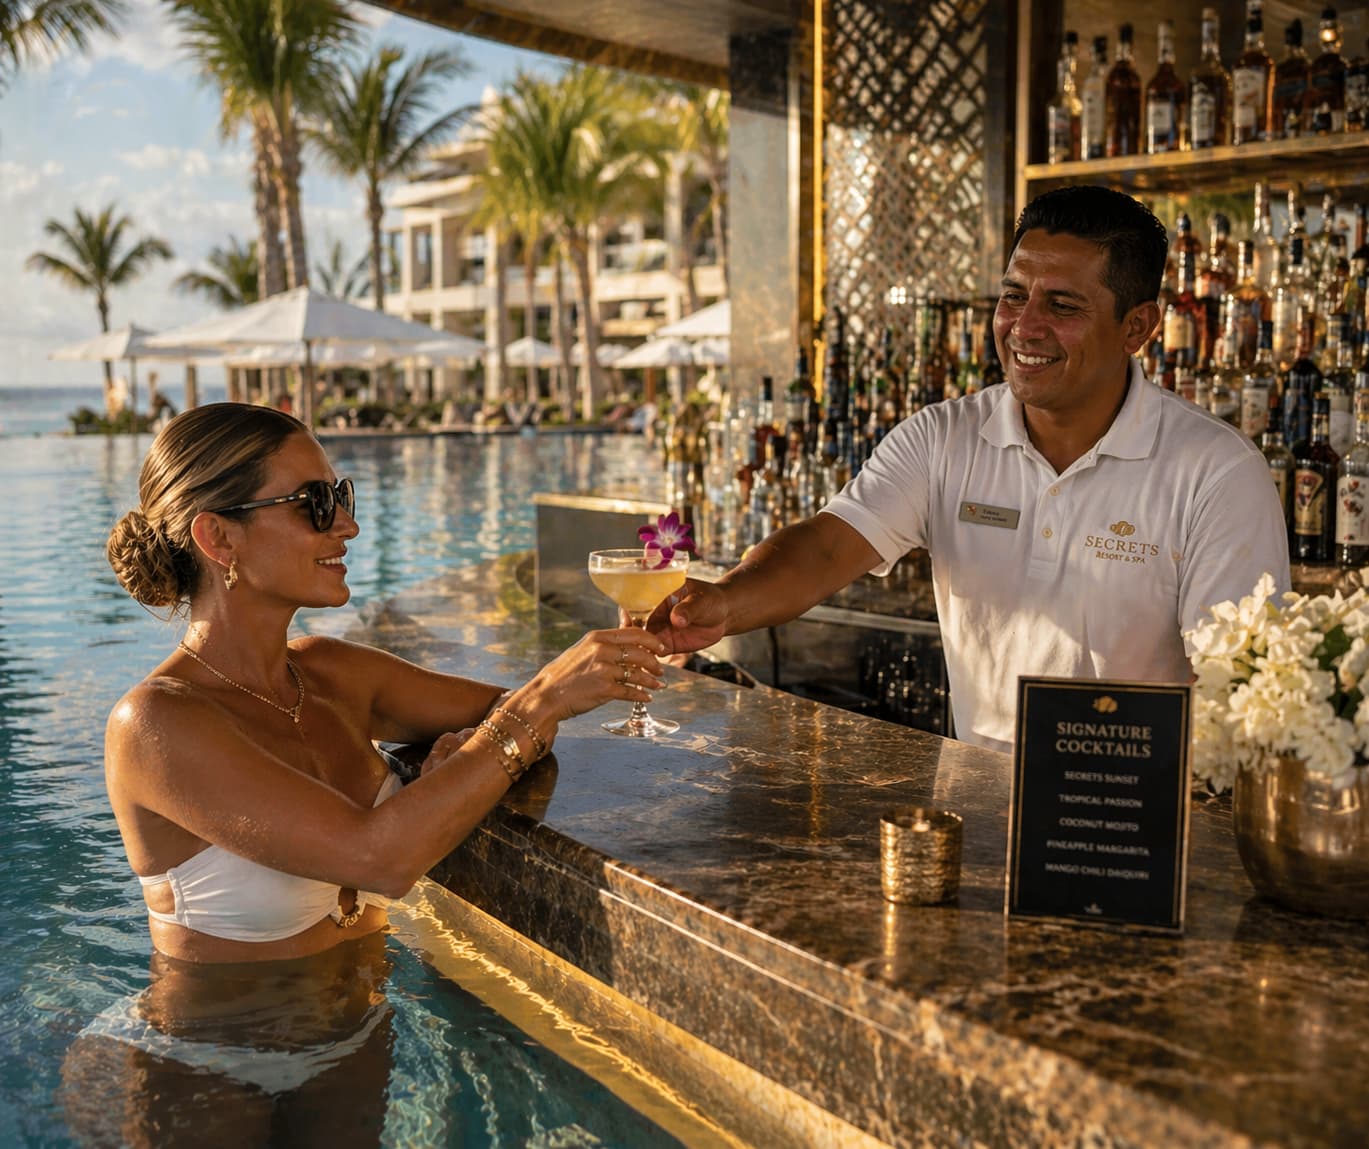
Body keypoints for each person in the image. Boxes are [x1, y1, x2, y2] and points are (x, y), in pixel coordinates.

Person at [651, 185, 1291, 754]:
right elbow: (825, 547)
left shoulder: (1217, 473)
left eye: (1063, 306)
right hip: (980, 803)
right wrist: (724, 602)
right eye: (1014, 295)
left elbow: (1239, 689)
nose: (1024, 326)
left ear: (1138, 326)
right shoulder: (943, 438)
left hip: (1133, 820)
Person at [103, 402, 667, 964]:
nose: (347, 525)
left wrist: (465, 757)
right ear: (220, 538)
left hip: (368, 1035)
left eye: (341, 496)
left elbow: (507, 711)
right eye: (315, 505)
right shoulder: (154, 724)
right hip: (218, 1048)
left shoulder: (334, 674)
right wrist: (541, 701)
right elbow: (379, 859)